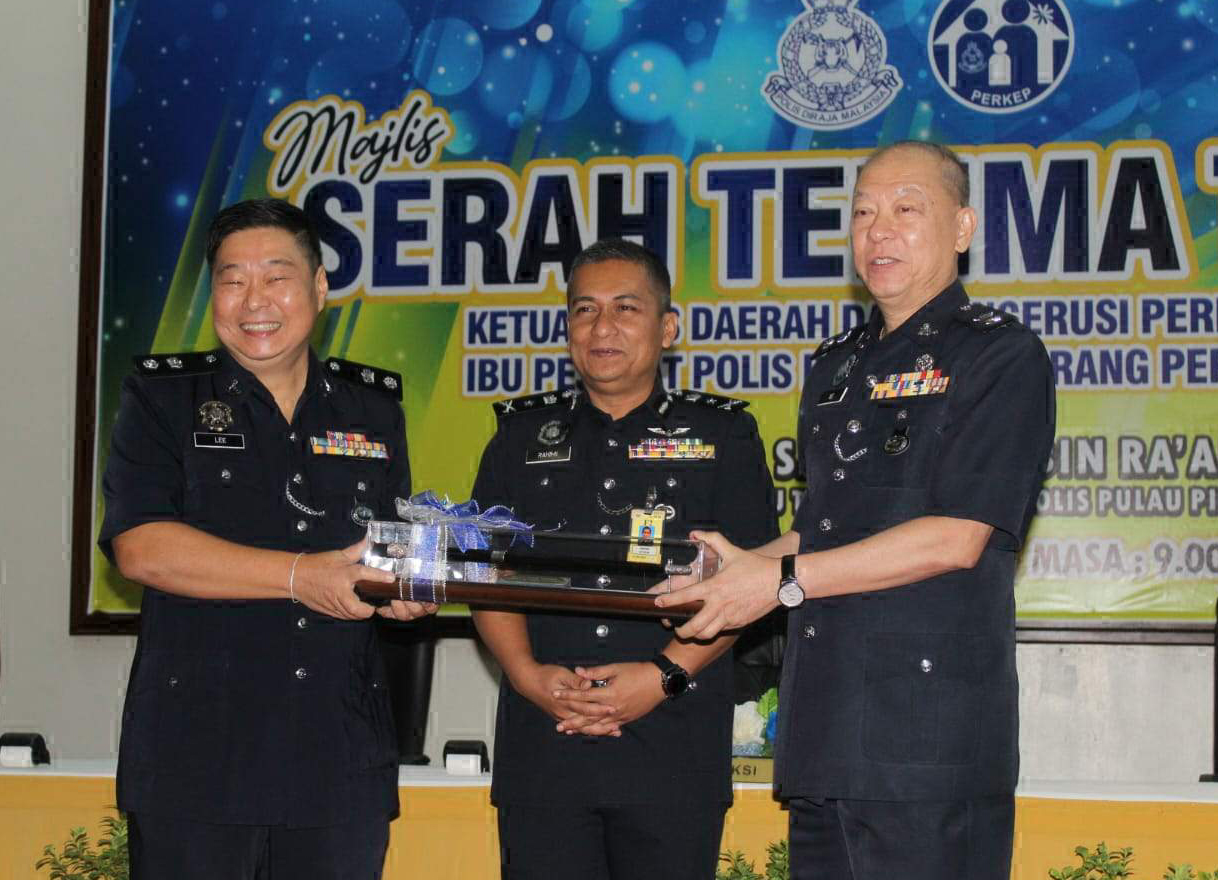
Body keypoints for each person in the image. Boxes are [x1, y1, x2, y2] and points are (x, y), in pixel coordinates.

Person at [657, 141, 1056, 880]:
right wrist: (736, 569)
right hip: (826, 731)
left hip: (926, 747)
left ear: (962, 228)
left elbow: (956, 538)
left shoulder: (1000, 357)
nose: (880, 231)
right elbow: (823, 532)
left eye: (907, 209)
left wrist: (777, 582)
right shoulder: (836, 365)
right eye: (864, 213)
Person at [98, 198, 436, 879]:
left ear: (319, 288)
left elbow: (389, 545)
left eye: (277, 277)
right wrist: (300, 576)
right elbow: (140, 545)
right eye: (232, 279)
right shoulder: (162, 399)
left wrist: (407, 589)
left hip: (338, 760)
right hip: (197, 760)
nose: (255, 300)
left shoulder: (373, 410)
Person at [471, 238, 778, 880]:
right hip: (545, 744)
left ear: (667, 328)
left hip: (672, 744)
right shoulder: (518, 436)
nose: (602, 327)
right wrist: (526, 676)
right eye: (584, 310)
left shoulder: (722, 435)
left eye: (625, 308)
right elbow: (483, 575)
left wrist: (662, 676)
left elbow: (751, 586)